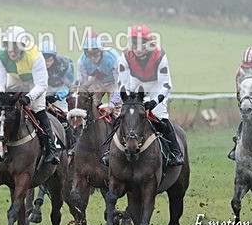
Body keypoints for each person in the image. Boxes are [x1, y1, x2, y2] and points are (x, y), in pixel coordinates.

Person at [99, 24, 183, 168]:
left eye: (142, 44)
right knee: (124, 114)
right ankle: (109, 151)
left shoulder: (160, 56)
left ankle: (175, 153)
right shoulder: (124, 57)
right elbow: (122, 85)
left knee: (160, 116)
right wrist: (120, 102)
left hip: (156, 84)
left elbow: (166, 85)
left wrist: (154, 102)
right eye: (134, 44)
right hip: (136, 83)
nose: (138, 49)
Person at [0, 26, 61, 164]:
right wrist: (1, 96)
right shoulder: (0, 55)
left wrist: (28, 97)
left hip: (34, 82)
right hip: (15, 78)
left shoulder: (35, 55)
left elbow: (42, 85)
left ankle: (51, 149)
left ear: (22, 46)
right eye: (9, 47)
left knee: (38, 109)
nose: (12, 51)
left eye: (16, 48)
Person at [76, 32, 119, 109]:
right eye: (88, 54)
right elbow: (82, 85)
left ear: (102, 51)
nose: (92, 58)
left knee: (116, 109)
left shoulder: (114, 59)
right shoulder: (82, 62)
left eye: (95, 54)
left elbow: (120, 83)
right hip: (96, 82)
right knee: (89, 105)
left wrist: (114, 102)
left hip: (113, 83)